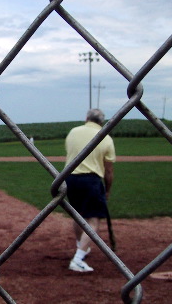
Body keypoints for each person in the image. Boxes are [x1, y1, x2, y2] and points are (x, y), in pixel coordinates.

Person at [64, 108, 116, 272]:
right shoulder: (106, 138)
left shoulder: (73, 132)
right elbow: (108, 172)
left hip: (69, 178)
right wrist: (107, 190)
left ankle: (82, 246)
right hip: (91, 180)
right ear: (102, 122)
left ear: (87, 118)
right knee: (93, 220)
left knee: (78, 215)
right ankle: (78, 258)